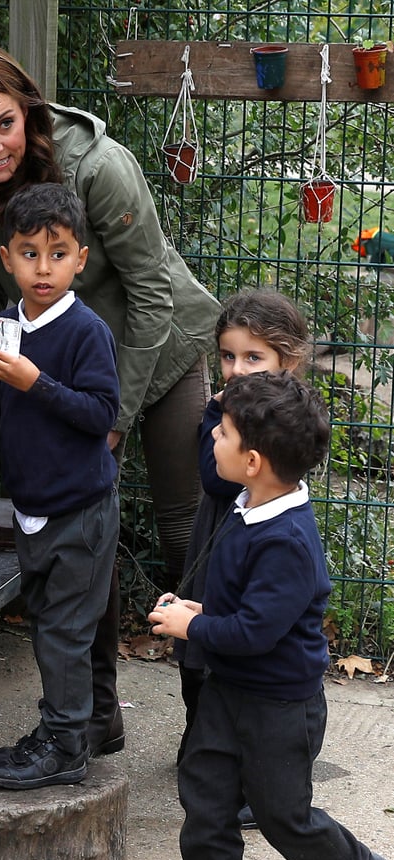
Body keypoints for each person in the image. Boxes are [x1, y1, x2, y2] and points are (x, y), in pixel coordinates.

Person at [0, 44, 220, 759]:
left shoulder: (97, 167)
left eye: (5, 125)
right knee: (87, 546)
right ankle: (93, 719)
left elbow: (150, 293)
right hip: (69, 378)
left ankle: (214, 732)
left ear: (29, 110)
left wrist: (111, 414)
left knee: (184, 538)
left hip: (156, 352)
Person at [144, 371, 388, 860]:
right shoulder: (249, 505)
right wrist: (201, 607)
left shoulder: (287, 541)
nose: (213, 443)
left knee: (283, 815)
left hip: (280, 705)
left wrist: (193, 626)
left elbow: (255, 631)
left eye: (221, 435)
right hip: (229, 690)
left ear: (252, 460)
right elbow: (246, 607)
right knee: (204, 799)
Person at [0, 182, 119, 789]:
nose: (43, 269)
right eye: (28, 253)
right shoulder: (3, 325)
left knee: (66, 632)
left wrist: (35, 380)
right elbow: (6, 418)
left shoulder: (87, 331)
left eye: (57, 253)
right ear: (6, 257)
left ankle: (67, 746)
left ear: (81, 259)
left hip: (81, 510)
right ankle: (63, 729)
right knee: (49, 627)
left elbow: (100, 416)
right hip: (31, 508)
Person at [174, 290, 311, 773]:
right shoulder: (224, 413)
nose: (237, 370)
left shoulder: (285, 420)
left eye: (254, 357)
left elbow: (217, 477)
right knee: (196, 651)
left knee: (242, 639)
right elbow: (212, 479)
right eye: (229, 357)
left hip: (257, 544)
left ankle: (253, 765)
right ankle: (203, 734)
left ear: (287, 363)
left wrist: (220, 416)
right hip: (215, 540)